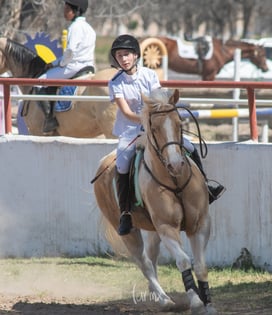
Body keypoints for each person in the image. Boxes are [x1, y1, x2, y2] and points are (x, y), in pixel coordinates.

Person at [108, 34, 225, 236]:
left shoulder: (149, 75)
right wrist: (149, 120)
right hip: (131, 130)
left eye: (126, 54)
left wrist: (160, 120)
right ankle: (126, 212)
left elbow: (160, 99)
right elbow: (127, 113)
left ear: (135, 55)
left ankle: (206, 188)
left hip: (158, 127)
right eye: (119, 55)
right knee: (122, 162)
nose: (123, 59)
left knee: (189, 146)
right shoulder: (115, 82)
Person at [35, 0, 96, 133]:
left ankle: (49, 119)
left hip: (74, 67)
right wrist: (55, 63)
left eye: (67, 8)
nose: (64, 11)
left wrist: (61, 65)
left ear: (75, 11)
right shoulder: (89, 28)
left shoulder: (75, 27)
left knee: (39, 83)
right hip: (89, 66)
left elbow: (70, 51)